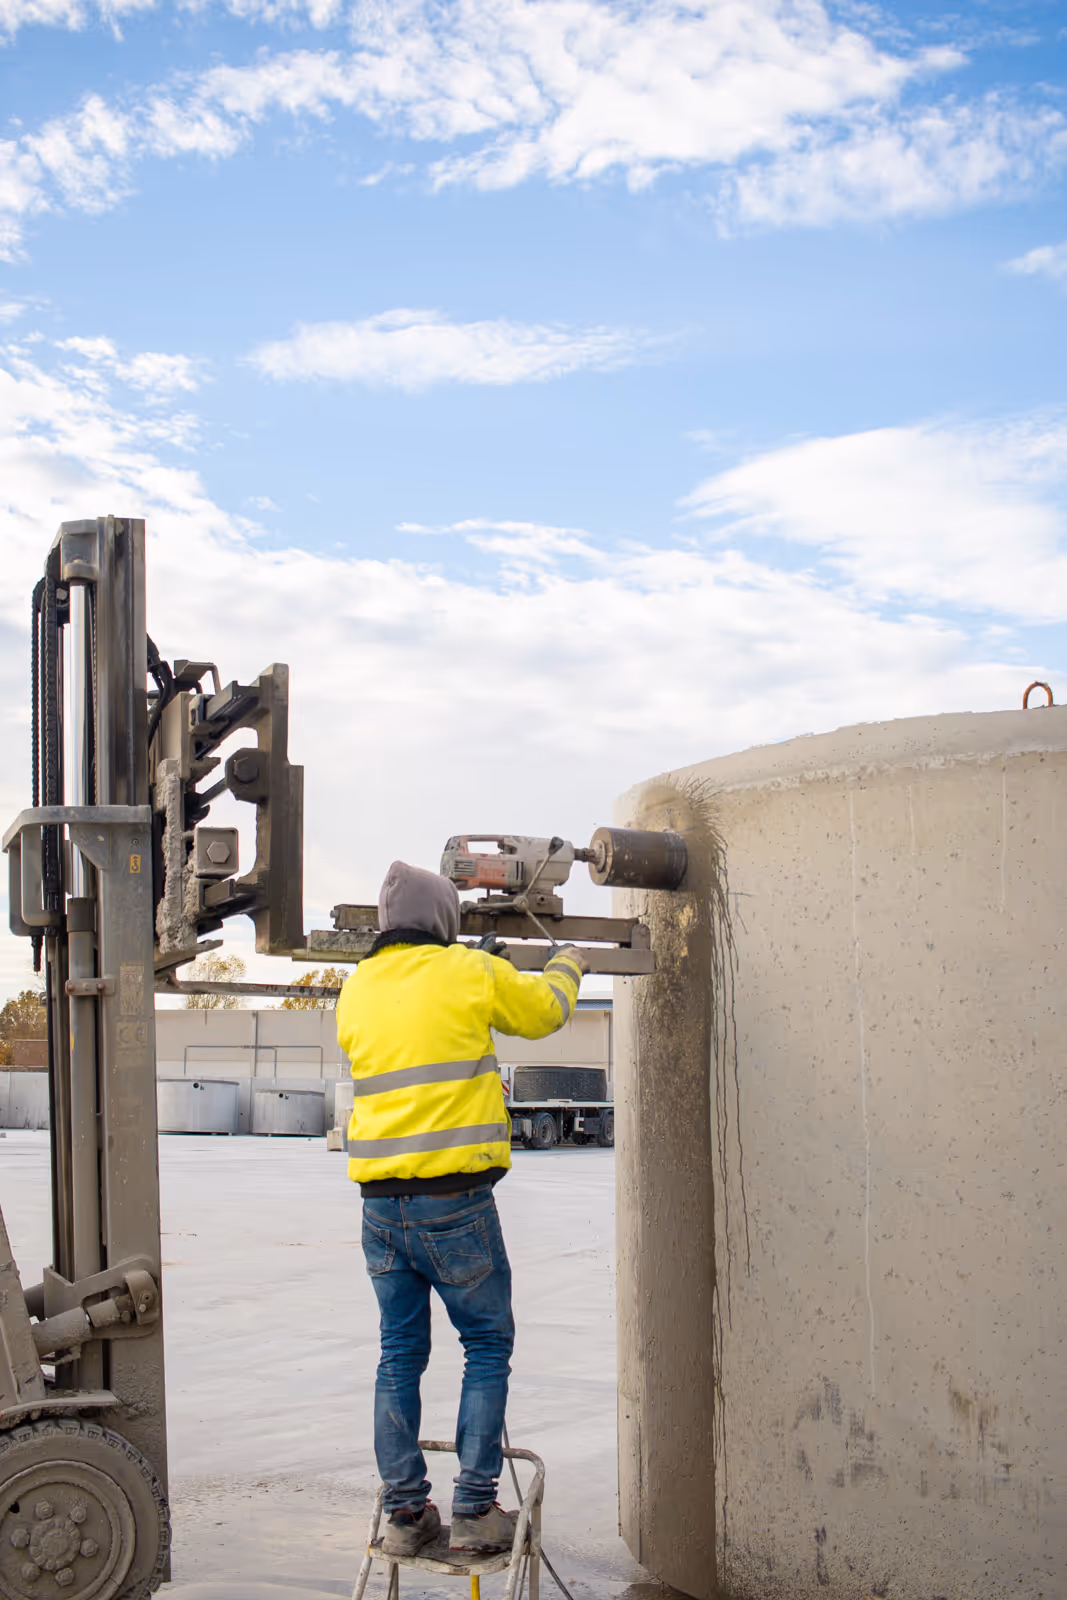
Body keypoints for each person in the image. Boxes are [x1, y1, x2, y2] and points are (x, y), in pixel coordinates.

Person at [336, 860, 588, 1559]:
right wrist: (566, 964)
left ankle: (405, 1515)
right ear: (445, 920)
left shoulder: (356, 988)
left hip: (381, 1209)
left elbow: (416, 1022)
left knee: (398, 1354)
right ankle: (476, 1508)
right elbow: (543, 1013)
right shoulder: (470, 975)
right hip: (456, 1204)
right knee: (485, 1346)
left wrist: (471, 969)